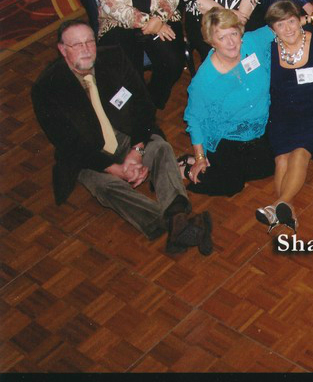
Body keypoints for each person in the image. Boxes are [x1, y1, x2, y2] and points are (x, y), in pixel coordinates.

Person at [33, 20, 212, 256]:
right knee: (105, 186)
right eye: (76, 45)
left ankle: (177, 214)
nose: (86, 49)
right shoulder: (47, 88)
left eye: (89, 42)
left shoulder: (114, 58)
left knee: (160, 148)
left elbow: (144, 106)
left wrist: (136, 151)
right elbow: (69, 145)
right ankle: (171, 223)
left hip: (124, 135)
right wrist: (115, 169)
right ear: (62, 49)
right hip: (90, 153)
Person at [256, 0, 313, 233]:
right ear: (273, 29)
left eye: (291, 21)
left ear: (300, 20)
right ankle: (284, 209)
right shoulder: (268, 49)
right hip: (282, 112)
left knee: (300, 153)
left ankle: (278, 204)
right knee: (281, 158)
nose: (288, 29)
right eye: (280, 25)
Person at [181, 7, 276, 196]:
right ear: (211, 41)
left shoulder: (251, 42)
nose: (231, 42)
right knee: (231, 185)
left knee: (272, 166)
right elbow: (194, 118)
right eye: (222, 37)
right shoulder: (205, 79)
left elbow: (281, 27)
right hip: (228, 135)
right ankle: (186, 167)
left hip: (261, 126)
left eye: (233, 33)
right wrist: (199, 156)